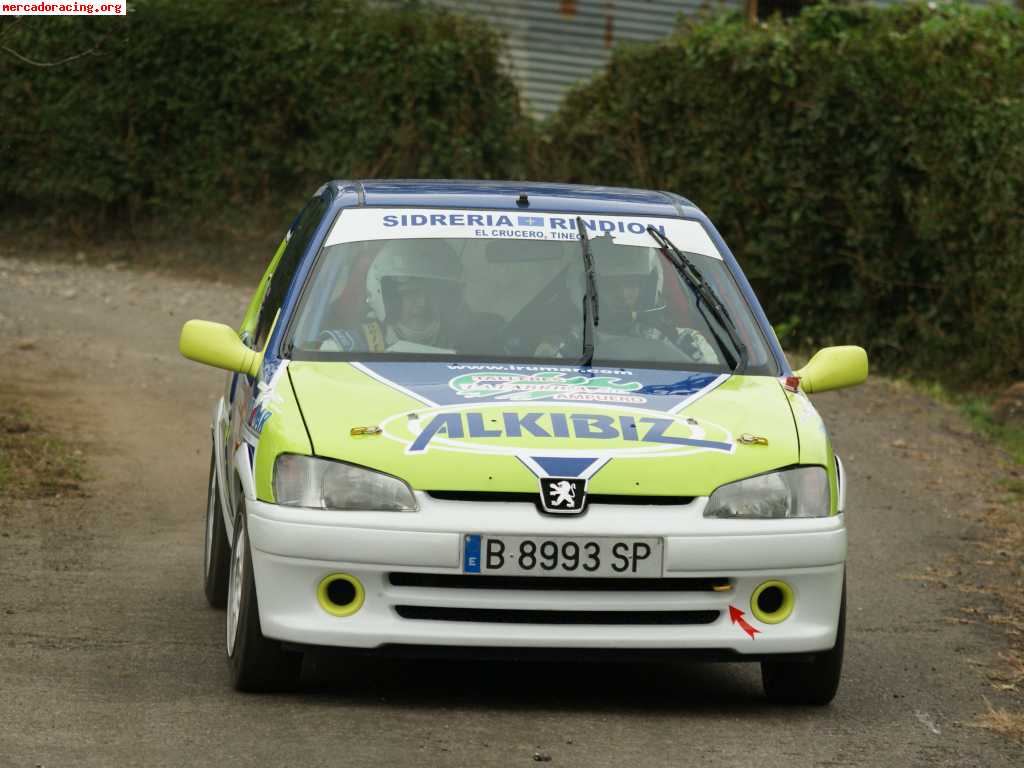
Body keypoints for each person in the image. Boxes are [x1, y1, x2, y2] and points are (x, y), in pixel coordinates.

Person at [535, 238, 719, 364]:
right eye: (612, 285)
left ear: (648, 286)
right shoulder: (561, 350)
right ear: (586, 288)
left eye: (632, 284)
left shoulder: (686, 343)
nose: (623, 295)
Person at [320, 239, 463, 352]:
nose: (422, 303)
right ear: (387, 298)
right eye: (410, 293)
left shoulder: (466, 344)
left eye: (432, 294)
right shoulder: (346, 350)